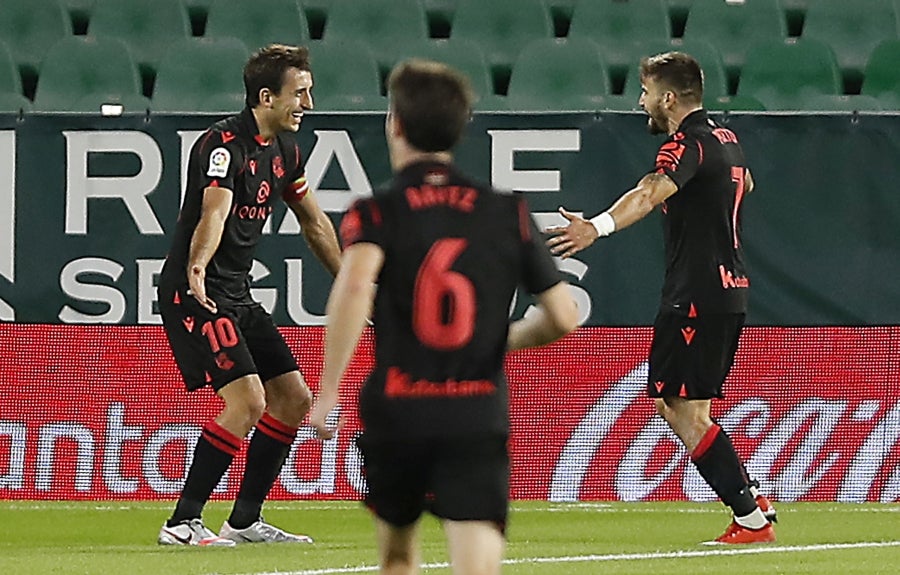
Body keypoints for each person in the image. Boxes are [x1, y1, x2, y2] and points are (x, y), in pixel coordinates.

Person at [309, 59, 579, 574]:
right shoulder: (507, 210)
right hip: (474, 409)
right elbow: (563, 317)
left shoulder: (375, 211)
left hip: (397, 407)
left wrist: (328, 392)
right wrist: (495, 341)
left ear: (396, 124)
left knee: (395, 557)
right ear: (460, 128)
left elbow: (354, 286)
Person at [546, 51, 777, 545]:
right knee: (687, 406)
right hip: (729, 287)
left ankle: (750, 518)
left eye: (647, 93)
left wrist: (596, 227)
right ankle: (751, 498)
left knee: (679, 408)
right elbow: (748, 184)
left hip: (696, 291)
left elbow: (649, 192)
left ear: (669, 98)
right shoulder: (725, 140)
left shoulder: (684, 145)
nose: (642, 102)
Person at [156, 44, 341, 546]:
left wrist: (347, 280)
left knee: (293, 398)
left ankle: (243, 521)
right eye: (299, 93)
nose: (309, 102)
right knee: (248, 401)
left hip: (237, 293)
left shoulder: (286, 150)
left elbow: (314, 222)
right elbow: (213, 212)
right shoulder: (223, 144)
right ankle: (182, 523)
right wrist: (197, 263)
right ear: (266, 97)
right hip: (198, 292)